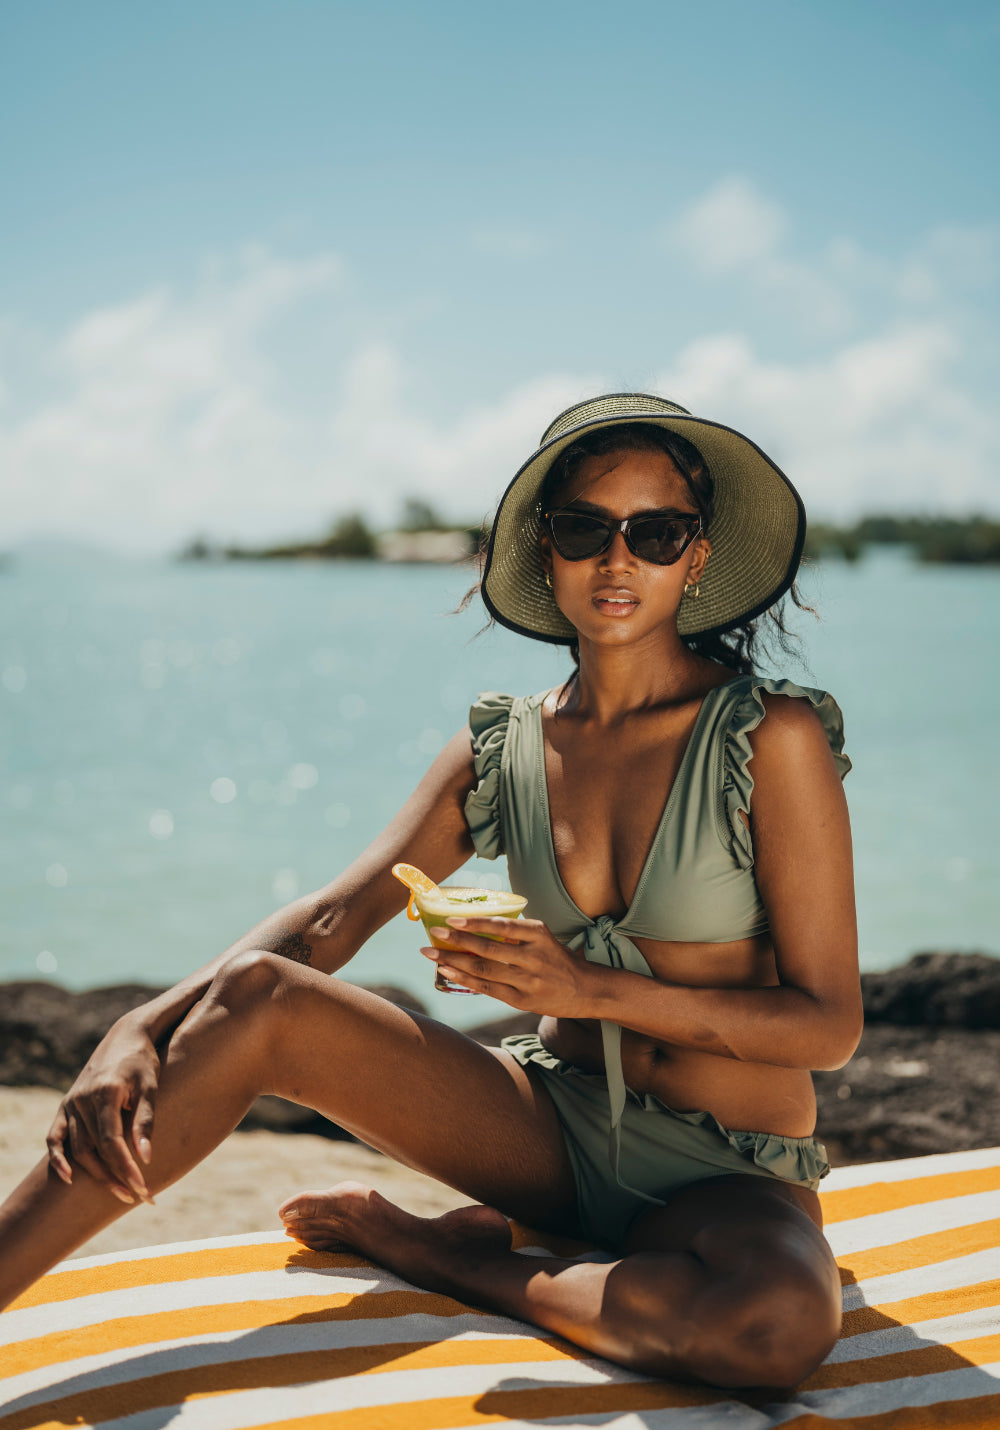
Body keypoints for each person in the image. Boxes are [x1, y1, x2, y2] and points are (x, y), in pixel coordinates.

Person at [0, 392, 860, 1391]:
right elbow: (329, 921)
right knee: (258, 997)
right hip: (543, 1140)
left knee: (773, 1328)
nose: (616, 559)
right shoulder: (503, 747)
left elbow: (827, 1026)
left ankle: (453, 1254)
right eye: (584, 528)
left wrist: (586, 988)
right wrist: (135, 1027)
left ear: (696, 556)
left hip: (724, 1178)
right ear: (547, 549)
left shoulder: (770, 738)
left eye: (654, 531)